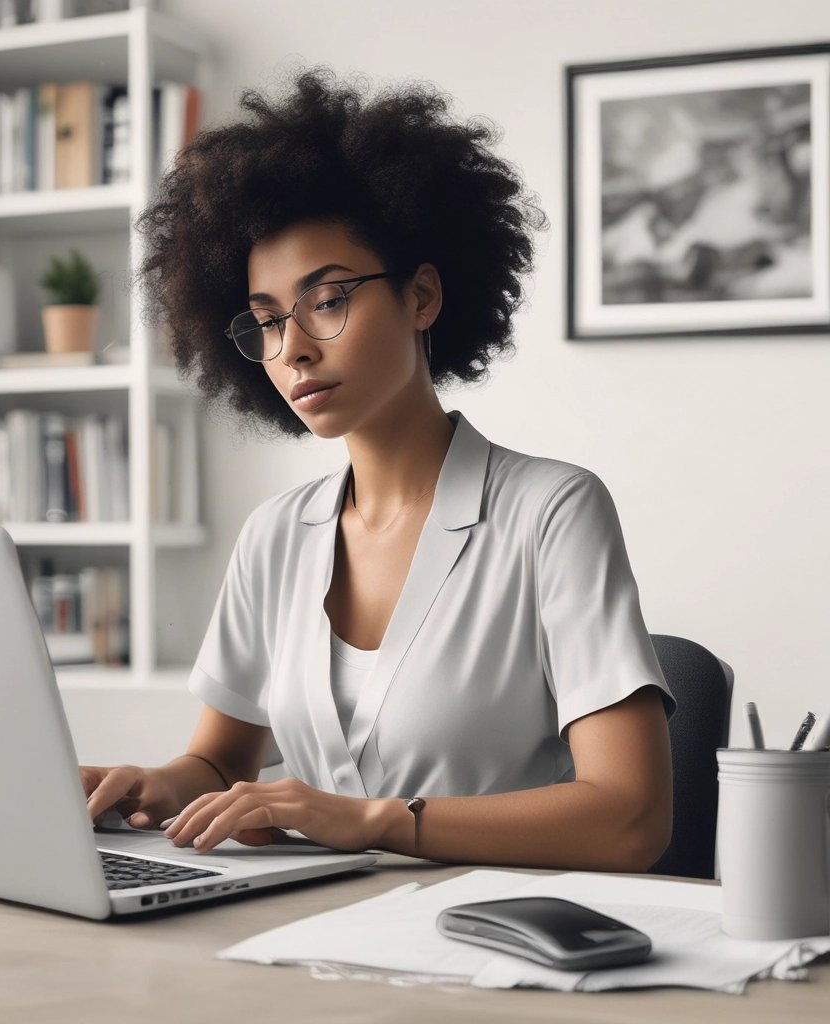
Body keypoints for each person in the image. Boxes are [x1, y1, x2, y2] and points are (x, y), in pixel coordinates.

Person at [82, 69, 675, 871]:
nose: (291, 349)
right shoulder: (274, 538)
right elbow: (222, 762)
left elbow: (630, 818)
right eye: (265, 321)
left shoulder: (550, 512)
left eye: (327, 299)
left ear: (421, 296)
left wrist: (376, 820)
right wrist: (155, 785)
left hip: (494, 945)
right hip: (302, 936)